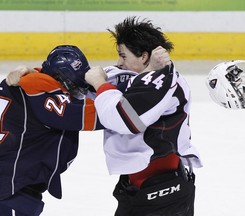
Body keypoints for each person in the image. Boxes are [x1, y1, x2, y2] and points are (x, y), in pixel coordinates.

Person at [85, 16, 203, 216]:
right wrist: (33, 73)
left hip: (160, 192)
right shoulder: (140, 75)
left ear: (144, 57)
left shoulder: (161, 79)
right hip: (150, 187)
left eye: (123, 56)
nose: (119, 62)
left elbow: (124, 119)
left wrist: (100, 84)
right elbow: (73, 83)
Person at [0, 45, 101, 216]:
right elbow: (111, 114)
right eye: (74, 88)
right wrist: (101, 83)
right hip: (11, 190)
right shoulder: (44, 96)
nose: (76, 94)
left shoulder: (25, 83)